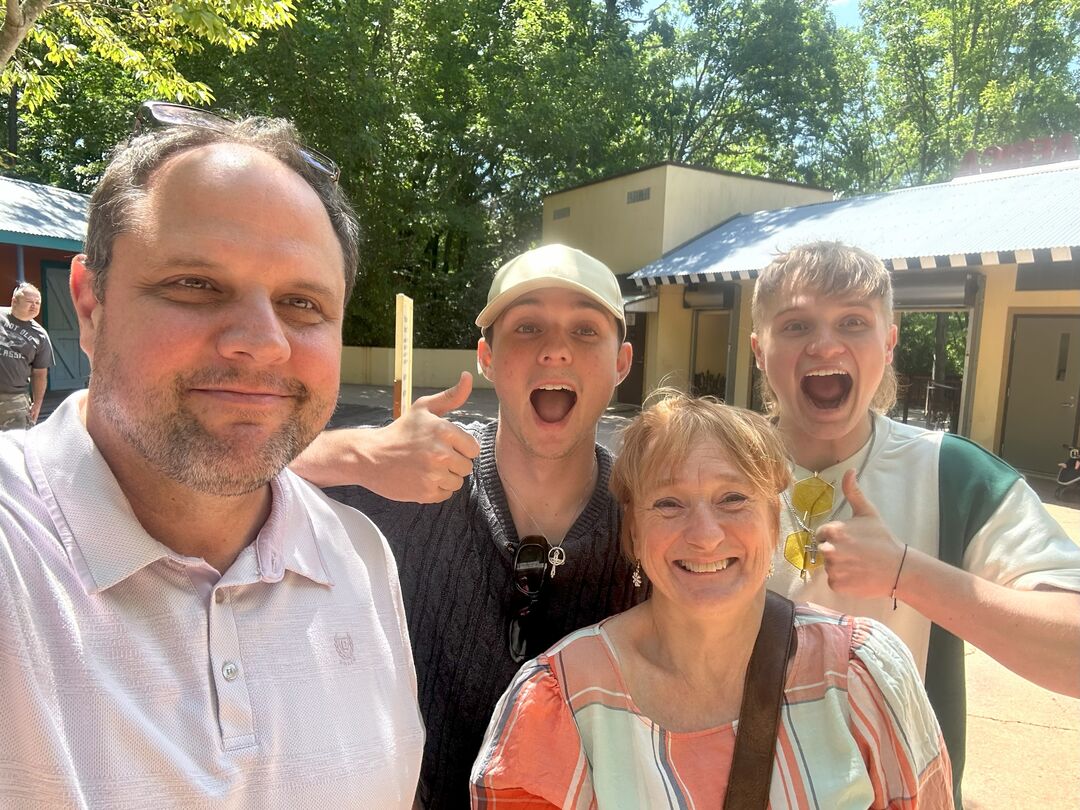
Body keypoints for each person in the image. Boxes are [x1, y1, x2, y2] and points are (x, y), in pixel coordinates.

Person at [0, 101, 423, 807]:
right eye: (195, 285)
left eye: (303, 304)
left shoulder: (359, 556)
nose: (262, 340)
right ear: (89, 303)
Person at [471, 391, 953, 808]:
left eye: (733, 499)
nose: (704, 536)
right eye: (668, 503)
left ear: (771, 521)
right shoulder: (558, 703)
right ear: (634, 533)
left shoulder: (860, 674)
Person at [298, 244, 642, 808]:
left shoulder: (651, 519)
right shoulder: (410, 477)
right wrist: (359, 453)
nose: (556, 350)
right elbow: (233, 472)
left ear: (621, 363)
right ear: (486, 356)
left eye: (585, 331)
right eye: (528, 327)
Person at [749, 241, 1080, 804]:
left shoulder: (957, 476)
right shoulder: (712, 470)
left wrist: (905, 572)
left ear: (889, 341)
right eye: (797, 325)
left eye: (853, 322)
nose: (825, 344)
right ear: (760, 350)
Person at [0, 281, 54, 429]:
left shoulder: (41, 336)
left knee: (16, 446)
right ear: (14, 301)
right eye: (30, 302)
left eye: (37, 302)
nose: (34, 306)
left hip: (13, 401)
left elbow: (40, 374)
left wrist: (37, 404)